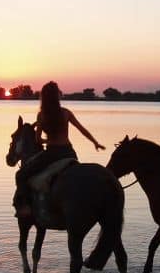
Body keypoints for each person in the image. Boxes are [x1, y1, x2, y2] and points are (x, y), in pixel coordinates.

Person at [14, 81, 105, 218]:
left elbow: (38, 140)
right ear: (57, 96)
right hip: (69, 152)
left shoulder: (41, 115)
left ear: (43, 97)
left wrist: (47, 140)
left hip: (52, 154)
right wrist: (95, 142)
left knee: (20, 175)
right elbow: (82, 129)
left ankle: (25, 206)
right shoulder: (66, 113)